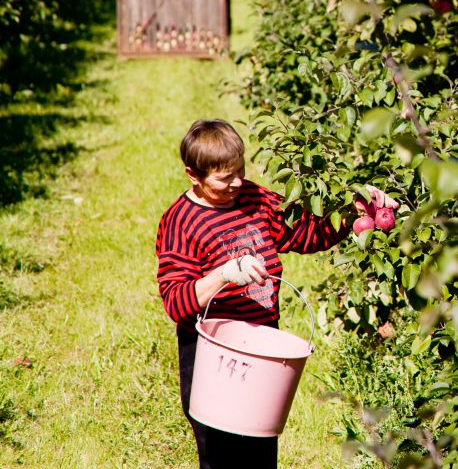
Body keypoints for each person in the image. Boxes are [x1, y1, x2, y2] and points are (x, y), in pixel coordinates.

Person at [155, 119, 397, 469]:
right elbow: (175, 301)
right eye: (224, 179)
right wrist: (224, 275)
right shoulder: (181, 221)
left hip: (263, 350)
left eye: (240, 171)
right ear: (194, 175)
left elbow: (305, 234)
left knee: (260, 453)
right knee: (221, 457)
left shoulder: (254, 198)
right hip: (214, 356)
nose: (237, 183)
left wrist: (356, 212)